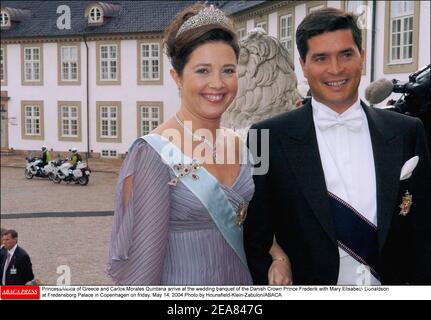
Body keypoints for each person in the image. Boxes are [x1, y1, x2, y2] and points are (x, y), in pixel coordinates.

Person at [244, 8, 431, 285]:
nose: (336, 69)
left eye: (346, 54)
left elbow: (424, 231)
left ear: (362, 58)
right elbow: (255, 237)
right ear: (303, 66)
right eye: (321, 58)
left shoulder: (408, 131)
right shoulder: (263, 137)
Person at [107, 4, 290, 285]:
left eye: (228, 70)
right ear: (177, 77)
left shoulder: (247, 144)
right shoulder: (153, 154)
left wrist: (279, 257)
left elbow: (253, 225)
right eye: (203, 70)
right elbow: (141, 272)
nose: (217, 83)